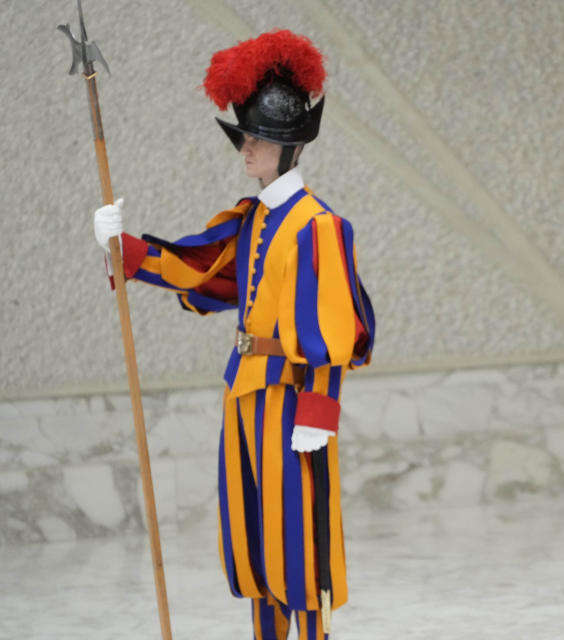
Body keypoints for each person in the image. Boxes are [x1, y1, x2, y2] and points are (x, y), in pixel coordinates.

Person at [93, 30, 375, 640]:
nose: (245, 149)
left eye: (257, 139)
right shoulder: (256, 220)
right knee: (253, 542)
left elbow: (330, 330)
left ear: (287, 146)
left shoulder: (319, 227)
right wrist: (123, 246)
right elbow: (200, 271)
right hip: (244, 394)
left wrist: (319, 414)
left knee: (297, 546)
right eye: (245, 137)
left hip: (292, 402)